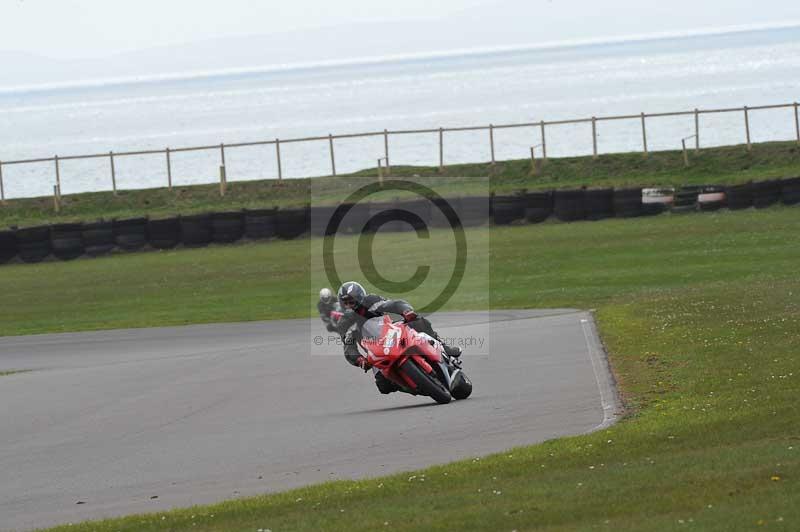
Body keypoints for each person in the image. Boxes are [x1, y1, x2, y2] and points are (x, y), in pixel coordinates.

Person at [336, 281, 461, 395]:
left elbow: (394, 304)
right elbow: (348, 346)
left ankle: (444, 347)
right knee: (383, 386)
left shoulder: (371, 301)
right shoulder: (344, 322)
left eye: (351, 302)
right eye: (345, 303)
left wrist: (406, 311)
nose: (348, 306)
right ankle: (414, 385)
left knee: (417, 322)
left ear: (360, 298)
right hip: (376, 352)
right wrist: (359, 360)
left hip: (391, 333)